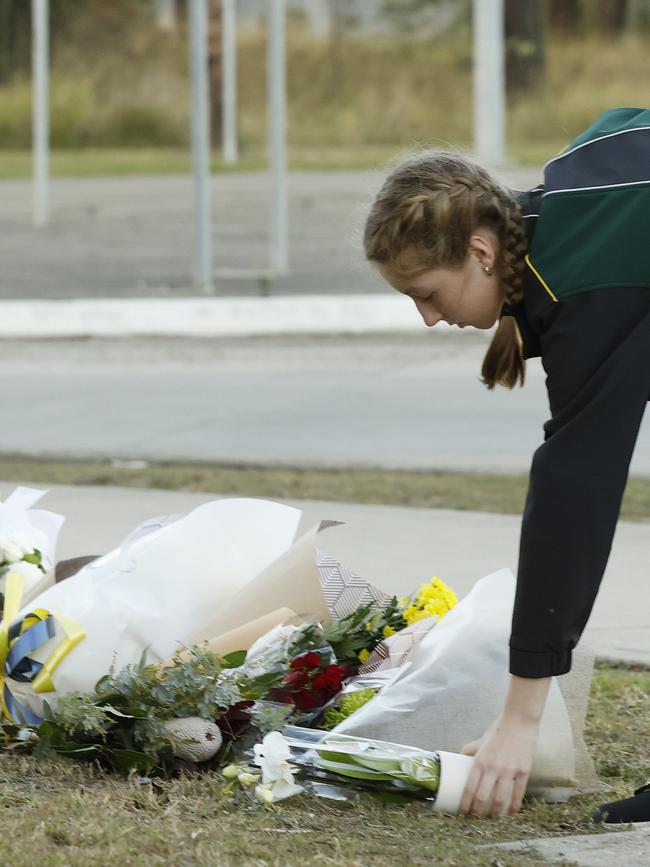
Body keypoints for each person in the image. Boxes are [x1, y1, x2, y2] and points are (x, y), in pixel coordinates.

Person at [363, 106, 650, 819]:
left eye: (426, 292)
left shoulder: (584, 279)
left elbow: (574, 494)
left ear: (483, 252)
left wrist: (519, 719)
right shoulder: (569, 211)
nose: (427, 317)